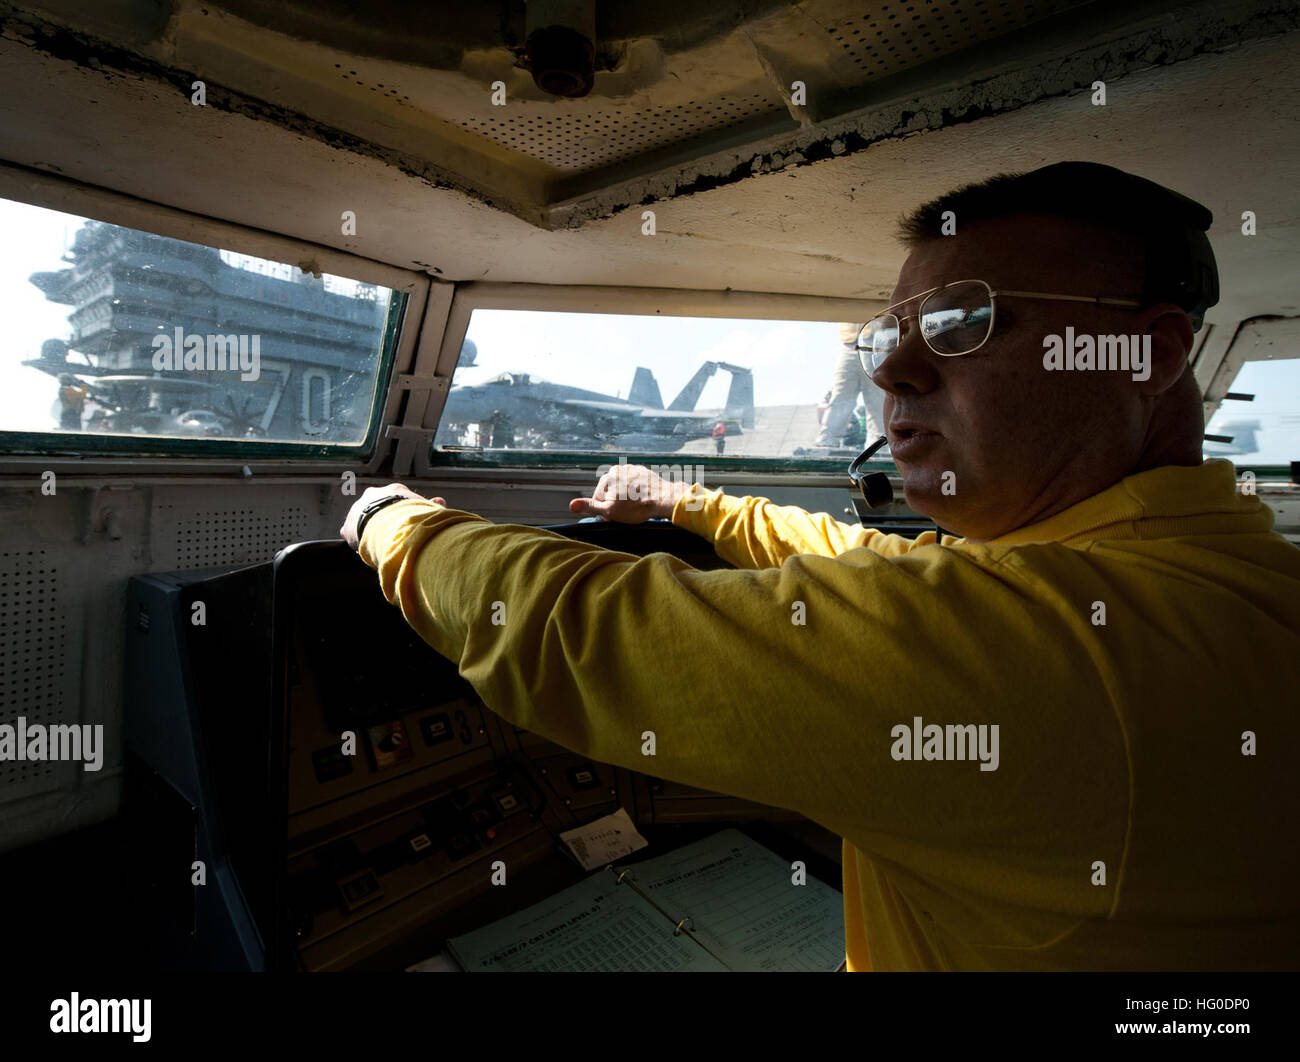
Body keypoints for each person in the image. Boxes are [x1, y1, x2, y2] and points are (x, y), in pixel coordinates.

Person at [342, 162, 1300, 971]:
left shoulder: (1065, 645)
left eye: (964, 322)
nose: (893, 374)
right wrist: (687, 504)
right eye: (889, 336)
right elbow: (875, 561)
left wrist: (391, 516)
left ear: (1150, 350)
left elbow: (574, 630)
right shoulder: (1206, 580)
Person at [816, 322, 886, 448]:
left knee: (876, 397)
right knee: (840, 394)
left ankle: (877, 445)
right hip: (849, 344)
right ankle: (827, 441)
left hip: (875, 342)